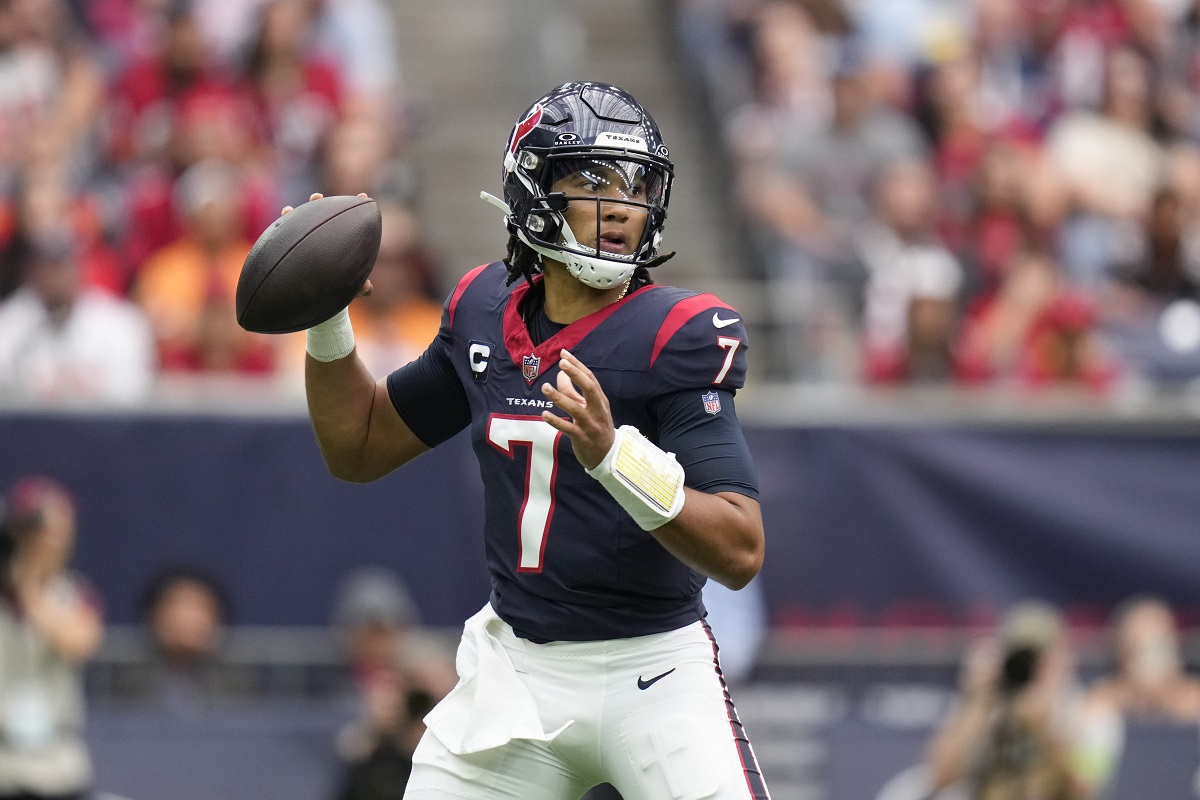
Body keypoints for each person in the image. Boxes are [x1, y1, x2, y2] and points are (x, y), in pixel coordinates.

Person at [293, 81, 769, 799]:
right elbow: (358, 446)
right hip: (518, 673)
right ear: (533, 191)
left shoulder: (678, 332)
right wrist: (326, 315)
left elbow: (740, 548)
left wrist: (616, 458)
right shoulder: (483, 308)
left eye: (636, 183)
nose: (622, 205)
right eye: (591, 180)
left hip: (654, 670)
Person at [923, 601, 1091, 800]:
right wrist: (977, 704)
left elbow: (1085, 789)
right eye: (1022, 656)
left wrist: (1045, 728)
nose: (1029, 667)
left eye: (1040, 656)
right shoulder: (989, 701)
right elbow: (940, 777)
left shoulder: (1085, 709)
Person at [0, 476, 103, 800]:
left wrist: (28, 585)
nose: (52, 542)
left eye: (61, 532)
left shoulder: (75, 593)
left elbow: (78, 643)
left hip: (57, 759)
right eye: (41, 532)